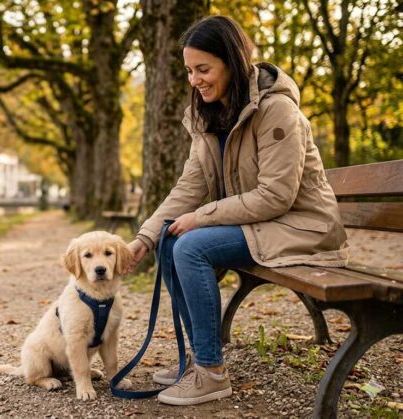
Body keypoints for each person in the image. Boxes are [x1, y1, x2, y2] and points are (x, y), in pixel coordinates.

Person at [126, 15, 349, 406]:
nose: (194, 80)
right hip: (262, 223)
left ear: (231, 61)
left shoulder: (276, 110)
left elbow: (276, 196)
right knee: (168, 241)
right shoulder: (207, 115)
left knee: (191, 246)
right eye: (189, 71)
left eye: (203, 69)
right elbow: (188, 187)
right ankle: (200, 362)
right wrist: (146, 236)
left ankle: (211, 373)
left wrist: (201, 217)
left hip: (302, 226)